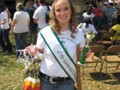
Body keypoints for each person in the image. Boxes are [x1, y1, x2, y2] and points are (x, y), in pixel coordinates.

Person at [25, 0, 85, 90]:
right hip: (46, 83)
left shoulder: (79, 34)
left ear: (71, 11)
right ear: (54, 13)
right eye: (58, 10)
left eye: (66, 9)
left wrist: (87, 55)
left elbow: (80, 58)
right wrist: (31, 52)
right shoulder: (44, 33)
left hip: (67, 83)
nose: (62, 13)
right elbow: (38, 56)